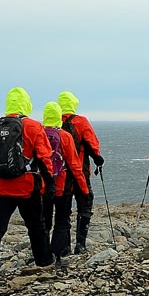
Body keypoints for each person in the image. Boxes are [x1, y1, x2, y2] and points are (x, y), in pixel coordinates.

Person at [0, 87, 56, 280]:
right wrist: (49, 185)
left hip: (2, 187)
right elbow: (45, 159)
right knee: (37, 226)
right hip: (27, 187)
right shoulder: (33, 126)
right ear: (26, 103)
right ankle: (43, 261)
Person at [57, 91, 105, 254]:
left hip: (60, 175)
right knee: (85, 206)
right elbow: (93, 145)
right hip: (80, 172)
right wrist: (98, 159)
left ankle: (64, 247)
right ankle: (80, 244)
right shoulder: (81, 121)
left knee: (63, 210)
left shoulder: (53, 123)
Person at [39, 101, 88, 259]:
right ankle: (59, 253)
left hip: (42, 187)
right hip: (62, 186)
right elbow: (75, 165)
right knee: (62, 220)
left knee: (44, 221)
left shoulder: (37, 133)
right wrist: (84, 188)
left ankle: (44, 253)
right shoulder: (65, 136)